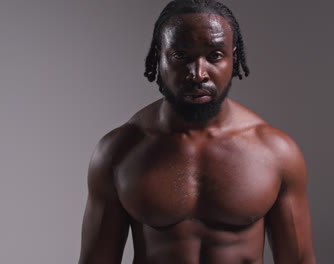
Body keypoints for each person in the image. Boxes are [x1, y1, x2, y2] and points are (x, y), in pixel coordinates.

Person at [78, 0, 316, 263]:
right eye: (181, 55)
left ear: (233, 58)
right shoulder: (119, 152)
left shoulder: (276, 152)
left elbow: (299, 260)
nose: (198, 73)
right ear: (159, 57)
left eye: (215, 55)